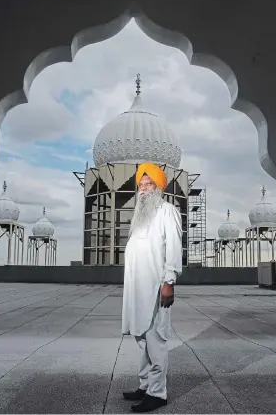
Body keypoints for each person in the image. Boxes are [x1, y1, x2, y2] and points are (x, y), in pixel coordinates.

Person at [121, 162, 183, 413]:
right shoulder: (139, 216)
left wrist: (169, 282)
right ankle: (145, 385)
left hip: (156, 286)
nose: (145, 188)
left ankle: (157, 394)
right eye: (142, 184)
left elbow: (174, 248)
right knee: (141, 337)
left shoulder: (167, 211)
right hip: (136, 288)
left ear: (159, 187)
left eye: (150, 184)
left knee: (155, 339)